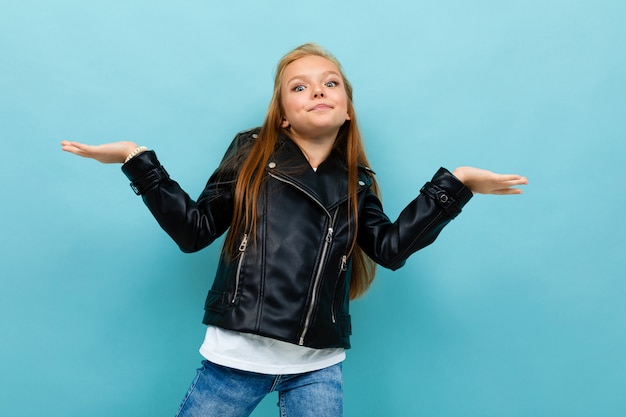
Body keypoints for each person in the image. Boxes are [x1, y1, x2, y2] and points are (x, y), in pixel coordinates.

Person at [61, 43, 527, 417]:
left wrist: (456, 185)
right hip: (237, 356)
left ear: (347, 109)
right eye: (299, 87)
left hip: (317, 363)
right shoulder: (250, 154)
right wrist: (135, 160)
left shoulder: (357, 181)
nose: (318, 91)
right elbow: (194, 230)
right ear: (282, 114)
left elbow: (390, 248)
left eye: (330, 83)